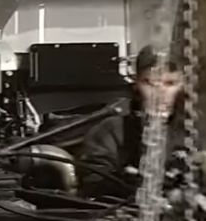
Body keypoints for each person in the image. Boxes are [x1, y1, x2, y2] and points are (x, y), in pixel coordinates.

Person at [77, 45, 184, 198]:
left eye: (170, 84)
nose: (159, 94)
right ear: (136, 83)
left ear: (182, 85)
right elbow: (93, 185)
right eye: (150, 83)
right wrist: (127, 183)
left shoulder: (197, 133)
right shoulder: (111, 131)